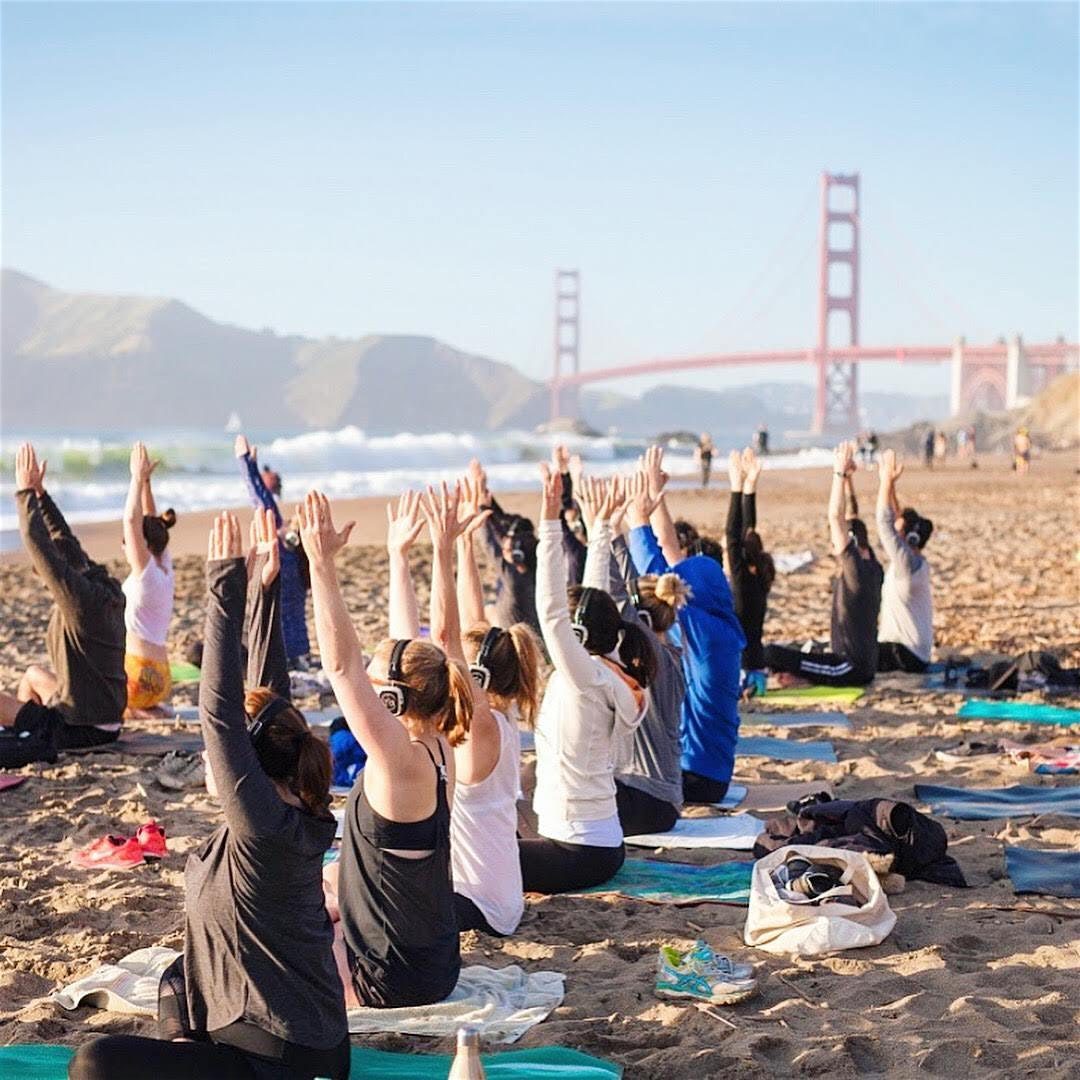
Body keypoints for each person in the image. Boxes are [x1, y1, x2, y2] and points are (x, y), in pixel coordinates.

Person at [68, 509, 348, 1080]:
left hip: (279, 1057)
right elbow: (273, 701)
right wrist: (265, 597)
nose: (208, 759)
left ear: (245, 763)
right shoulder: (286, 802)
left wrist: (225, 585)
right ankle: (187, 1053)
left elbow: (219, 715)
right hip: (252, 1021)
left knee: (93, 1063)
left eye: (219, 755)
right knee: (176, 975)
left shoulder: (262, 827)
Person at [302, 490, 472, 1008]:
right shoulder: (438, 745)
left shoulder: (399, 762)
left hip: (390, 978)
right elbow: (429, 646)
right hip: (432, 964)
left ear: (393, 698)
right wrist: (408, 556)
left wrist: (322, 566)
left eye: (379, 687)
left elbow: (342, 667)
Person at [520, 467, 654, 893]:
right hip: (597, 845)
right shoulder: (606, 670)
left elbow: (553, 612)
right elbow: (596, 603)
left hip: (577, 850)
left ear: (577, 638)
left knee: (465, 857)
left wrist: (550, 521)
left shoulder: (585, 676)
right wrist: (600, 531)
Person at [627, 449, 745, 805]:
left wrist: (636, 519)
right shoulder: (718, 626)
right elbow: (670, 558)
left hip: (697, 778)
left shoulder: (702, 635)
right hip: (712, 773)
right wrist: (656, 501)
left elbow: (657, 572)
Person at [574, 473, 687, 837]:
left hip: (651, 801)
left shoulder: (654, 658)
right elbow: (629, 594)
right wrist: (616, 534)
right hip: (655, 798)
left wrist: (603, 533)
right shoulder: (667, 648)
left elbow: (620, 600)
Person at [1, 444, 126, 764]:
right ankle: (28, 731)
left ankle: (35, 736)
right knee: (31, 674)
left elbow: (38, 542)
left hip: (82, 729)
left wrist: (25, 492)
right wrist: (42, 495)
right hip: (104, 716)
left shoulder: (79, 602)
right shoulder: (102, 584)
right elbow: (65, 539)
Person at [764, 442, 883, 686]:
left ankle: (800, 680)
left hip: (847, 667)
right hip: (860, 664)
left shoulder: (855, 571)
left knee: (771, 654)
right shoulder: (873, 566)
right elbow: (852, 519)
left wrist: (838, 475)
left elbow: (836, 518)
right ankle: (799, 677)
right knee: (798, 653)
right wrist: (849, 481)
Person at [235, 434, 311, 667]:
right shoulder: (300, 555)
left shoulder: (282, 542)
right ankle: (298, 657)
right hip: (300, 651)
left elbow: (261, 501)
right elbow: (264, 500)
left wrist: (245, 462)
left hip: (283, 654)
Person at [121, 442, 176, 718]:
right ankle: (144, 710)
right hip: (161, 679)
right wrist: (146, 482)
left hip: (138, 677)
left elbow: (132, 521)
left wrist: (134, 478)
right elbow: (151, 520)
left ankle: (135, 710)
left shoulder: (147, 576)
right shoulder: (164, 567)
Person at [875, 450, 934, 674]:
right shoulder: (915, 558)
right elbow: (897, 517)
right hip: (913, 652)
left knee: (852, 654)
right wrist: (890, 485)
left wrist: (884, 482)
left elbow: (885, 523)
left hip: (905, 655)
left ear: (909, 537)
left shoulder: (906, 563)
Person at [726, 448, 775, 699]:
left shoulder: (742, 580)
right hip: (757, 664)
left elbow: (732, 534)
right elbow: (746, 532)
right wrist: (750, 485)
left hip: (743, 671)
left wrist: (737, 487)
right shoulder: (759, 576)